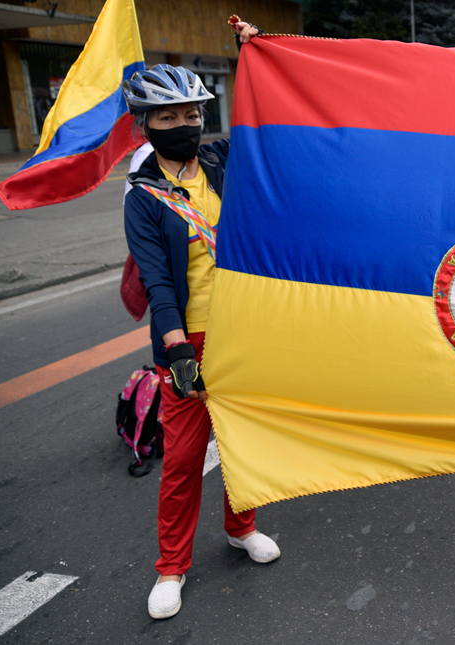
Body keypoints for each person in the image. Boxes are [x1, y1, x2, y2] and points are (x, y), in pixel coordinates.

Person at [124, 34, 281, 620]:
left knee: (244, 442)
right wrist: (175, 349)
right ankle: (171, 567)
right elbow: (158, 282)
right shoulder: (141, 196)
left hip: (246, 330)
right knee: (186, 458)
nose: (183, 122)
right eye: (169, 115)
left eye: (191, 112)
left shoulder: (219, 159)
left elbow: (273, 124)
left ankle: (242, 528)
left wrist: (257, 56)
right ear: (147, 123)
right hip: (188, 340)